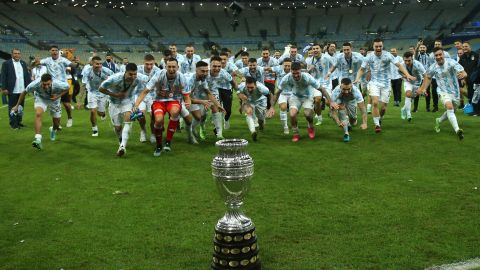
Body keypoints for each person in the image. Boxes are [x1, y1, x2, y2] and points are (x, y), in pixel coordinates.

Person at [354, 38, 415, 133]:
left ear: (382, 46)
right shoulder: (369, 57)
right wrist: (357, 78)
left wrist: (407, 75)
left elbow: (399, 65)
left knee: (383, 107)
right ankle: (377, 124)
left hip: (386, 84)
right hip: (374, 83)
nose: (378, 48)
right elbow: (362, 69)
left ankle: (380, 118)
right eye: (376, 46)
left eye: (380, 46)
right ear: (373, 47)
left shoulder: (388, 55)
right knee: (375, 102)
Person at [134, 58, 191, 156]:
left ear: (177, 67)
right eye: (169, 66)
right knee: (159, 120)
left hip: (174, 100)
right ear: (165, 67)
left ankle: (168, 142)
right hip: (159, 101)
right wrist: (136, 104)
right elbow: (145, 91)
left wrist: (188, 102)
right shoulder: (159, 75)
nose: (171, 69)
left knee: (175, 112)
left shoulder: (181, 77)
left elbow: (186, 95)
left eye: (174, 67)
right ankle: (159, 145)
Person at [269, 62, 332, 142]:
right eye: (293, 73)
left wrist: (331, 101)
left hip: (308, 97)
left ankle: (310, 126)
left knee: (308, 114)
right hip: (295, 96)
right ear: (291, 71)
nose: (295, 75)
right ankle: (296, 133)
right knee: (292, 114)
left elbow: (322, 89)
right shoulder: (287, 78)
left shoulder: (307, 77)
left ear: (300, 71)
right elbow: (277, 92)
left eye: (297, 73)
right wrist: (272, 107)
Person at [417, 47, 467, 140]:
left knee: (452, 111)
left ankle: (438, 120)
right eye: (436, 55)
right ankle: (457, 130)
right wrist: (424, 89)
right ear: (434, 57)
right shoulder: (433, 67)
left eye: (440, 54)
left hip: (455, 93)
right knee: (449, 107)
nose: (439, 57)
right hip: (442, 91)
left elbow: (463, 72)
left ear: (443, 54)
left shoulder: (451, 62)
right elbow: (428, 77)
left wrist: (463, 74)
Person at [99, 63, 149, 157]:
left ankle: (122, 147)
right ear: (125, 72)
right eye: (130, 74)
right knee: (118, 128)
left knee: (127, 120)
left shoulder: (139, 77)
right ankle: (121, 139)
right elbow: (101, 88)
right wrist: (115, 95)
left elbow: (151, 82)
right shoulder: (115, 78)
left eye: (135, 74)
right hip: (114, 103)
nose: (133, 76)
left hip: (127, 101)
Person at [11, 74, 69, 149]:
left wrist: (57, 97)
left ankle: (53, 129)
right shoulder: (35, 84)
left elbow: (67, 88)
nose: (46, 86)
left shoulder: (58, 84)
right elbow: (24, 92)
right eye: (44, 84)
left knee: (57, 124)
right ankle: (38, 139)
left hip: (54, 100)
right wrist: (16, 106)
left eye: (48, 84)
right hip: (41, 99)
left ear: (51, 81)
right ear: (41, 81)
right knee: (38, 114)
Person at [37, 45, 78, 128]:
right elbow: (37, 63)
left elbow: (72, 65)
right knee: (54, 105)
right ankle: (56, 124)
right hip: (52, 87)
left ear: (58, 52)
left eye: (56, 50)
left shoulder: (63, 60)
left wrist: (75, 64)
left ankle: (69, 117)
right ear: (50, 51)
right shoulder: (47, 60)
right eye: (53, 50)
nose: (54, 52)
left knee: (66, 104)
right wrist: (35, 62)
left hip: (62, 86)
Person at [187, 61, 225, 144]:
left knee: (198, 117)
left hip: (192, 97)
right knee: (187, 117)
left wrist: (218, 105)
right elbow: (186, 98)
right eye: (203, 71)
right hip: (180, 98)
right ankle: (190, 134)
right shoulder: (190, 80)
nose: (205, 73)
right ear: (196, 71)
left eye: (206, 71)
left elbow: (209, 93)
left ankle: (193, 130)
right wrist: (201, 101)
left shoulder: (202, 79)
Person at [206, 56, 238, 139]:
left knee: (218, 110)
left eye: (219, 66)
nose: (217, 68)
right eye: (214, 66)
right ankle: (202, 126)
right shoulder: (204, 72)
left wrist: (238, 92)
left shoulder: (223, 72)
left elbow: (232, 82)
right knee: (201, 115)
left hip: (214, 92)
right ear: (210, 65)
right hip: (201, 93)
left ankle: (219, 134)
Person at [82, 56, 114, 136]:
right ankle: (95, 129)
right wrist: (80, 100)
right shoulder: (87, 71)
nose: (99, 65)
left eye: (100, 64)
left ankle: (103, 114)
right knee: (93, 111)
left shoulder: (106, 71)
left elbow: (115, 78)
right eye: (97, 64)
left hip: (103, 92)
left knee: (100, 113)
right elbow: (83, 84)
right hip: (92, 92)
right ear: (92, 63)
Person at [0, 48, 31, 129]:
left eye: (18, 53)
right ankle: (13, 124)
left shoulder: (23, 63)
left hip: (22, 90)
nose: (17, 55)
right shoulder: (6, 63)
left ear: (20, 54)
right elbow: (3, 76)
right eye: (15, 53)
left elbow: (26, 76)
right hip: (12, 89)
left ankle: (19, 122)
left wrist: (29, 87)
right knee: (13, 107)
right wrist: (4, 88)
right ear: (12, 54)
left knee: (20, 108)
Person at [329, 78, 368, 142]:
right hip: (340, 100)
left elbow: (363, 109)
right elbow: (333, 111)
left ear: (351, 86)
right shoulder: (335, 92)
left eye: (348, 89)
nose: (346, 92)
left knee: (353, 121)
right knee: (341, 112)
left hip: (351, 101)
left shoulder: (356, 92)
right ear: (340, 86)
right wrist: (338, 122)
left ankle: (349, 122)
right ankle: (346, 133)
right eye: (344, 89)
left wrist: (365, 123)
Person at [237, 77, 273, 141]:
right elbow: (239, 94)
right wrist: (241, 105)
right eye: (248, 87)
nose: (250, 89)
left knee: (261, 118)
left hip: (261, 101)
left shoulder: (263, 89)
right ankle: (253, 131)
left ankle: (261, 124)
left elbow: (270, 95)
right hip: (249, 101)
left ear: (256, 85)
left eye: (252, 87)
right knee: (248, 112)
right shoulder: (241, 86)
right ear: (245, 84)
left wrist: (271, 107)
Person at [137, 54, 162, 143]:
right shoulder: (137, 69)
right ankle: (143, 131)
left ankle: (153, 134)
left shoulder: (158, 71)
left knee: (153, 116)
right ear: (143, 62)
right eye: (147, 64)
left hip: (153, 96)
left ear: (154, 62)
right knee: (140, 115)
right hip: (140, 95)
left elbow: (160, 84)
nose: (149, 66)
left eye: (151, 64)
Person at [266, 58, 292, 134]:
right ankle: (285, 127)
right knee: (283, 107)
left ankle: (294, 125)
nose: (287, 67)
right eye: (285, 65)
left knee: (293, 113)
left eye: (289, 66)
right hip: (281, 93)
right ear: (282, 65)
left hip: (293, 93)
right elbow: (269, 69)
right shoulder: (278, 68)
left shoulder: (295, 70)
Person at [400, 52, 426, 122]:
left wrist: (422, 88)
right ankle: (409, 114)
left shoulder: (418, 64)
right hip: (408, 81)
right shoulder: (402, 64)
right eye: (405, 60)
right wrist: (406, 76)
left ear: (412, 59)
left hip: (417, 82)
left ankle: (403, 109)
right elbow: (399, 71)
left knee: (411, 98)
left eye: (409, 60)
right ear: (403, 59)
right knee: (408, 94)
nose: (407, 62)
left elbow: (425, 76)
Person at [459, 42, 479, 115]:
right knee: (470, 95)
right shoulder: (462, 57)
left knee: (476, 95)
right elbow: (459, 69)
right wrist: (462, 78)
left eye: (466, 46)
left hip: (476, 80)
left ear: (470, 47)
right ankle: (472, 111)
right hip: (468, 80)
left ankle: (477, 111)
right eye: (463, 47)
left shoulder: (476, 55)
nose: (464, 48)